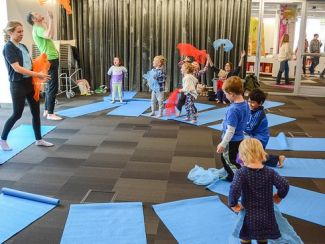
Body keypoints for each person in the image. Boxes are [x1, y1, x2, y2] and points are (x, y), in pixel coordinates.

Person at [0, 21, 54, 151]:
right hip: (17, 85)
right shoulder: (8, 47)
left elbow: (28, 64)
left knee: (36, 112)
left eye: (22, 31)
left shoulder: (23, 46)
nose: (21, 34)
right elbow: (17, 68)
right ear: (10, 33)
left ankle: (39, 139)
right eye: (19, 32)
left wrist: (40, 67)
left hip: (29, 83)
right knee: (17, 114)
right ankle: (3, 140)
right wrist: (37, 74)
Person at [229, 138, 289, 244]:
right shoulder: (270, 172)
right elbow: (284, 185)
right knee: (263, 237)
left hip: (248, 215)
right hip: (266, 216)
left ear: (242, 155)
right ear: (262, 153)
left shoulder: (241, 173)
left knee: (245, 236)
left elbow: (234, 189)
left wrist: (233, 204)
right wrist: (279, 196)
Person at [27, 11, 62, 120]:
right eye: (36, 14)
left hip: (49, 59)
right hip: (50, 59)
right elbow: (50, 35)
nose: (39, 14)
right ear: (33, 19)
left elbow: (50, 35)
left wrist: (47, 24)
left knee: (49, 86)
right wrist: (51, 19)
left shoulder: (38, 28)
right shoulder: (38, 28)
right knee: (53, 86)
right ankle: (51, 113)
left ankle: (47, 110)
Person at [216, 76, 250, 181]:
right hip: (239, 137)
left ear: (231, 93)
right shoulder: (245, 104)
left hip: (232, 140)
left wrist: (223, 143)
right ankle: (233, 175)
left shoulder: (234, 110)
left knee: (228, 159)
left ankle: (238, 178)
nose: (225, 96)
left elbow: (231, 130)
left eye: (226, 94)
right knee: (232, 158)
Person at [244, 89, 285, 167]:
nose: (250, 104)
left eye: (253, 102)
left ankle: (278, 158)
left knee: (255, 158)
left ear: (260, 103)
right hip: (254, 136)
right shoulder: (253, 110)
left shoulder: (259, 114)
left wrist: (240, 126)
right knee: (254, 157)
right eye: (249, 101)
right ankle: (278, 158)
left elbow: (250, 129)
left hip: (260, 138)